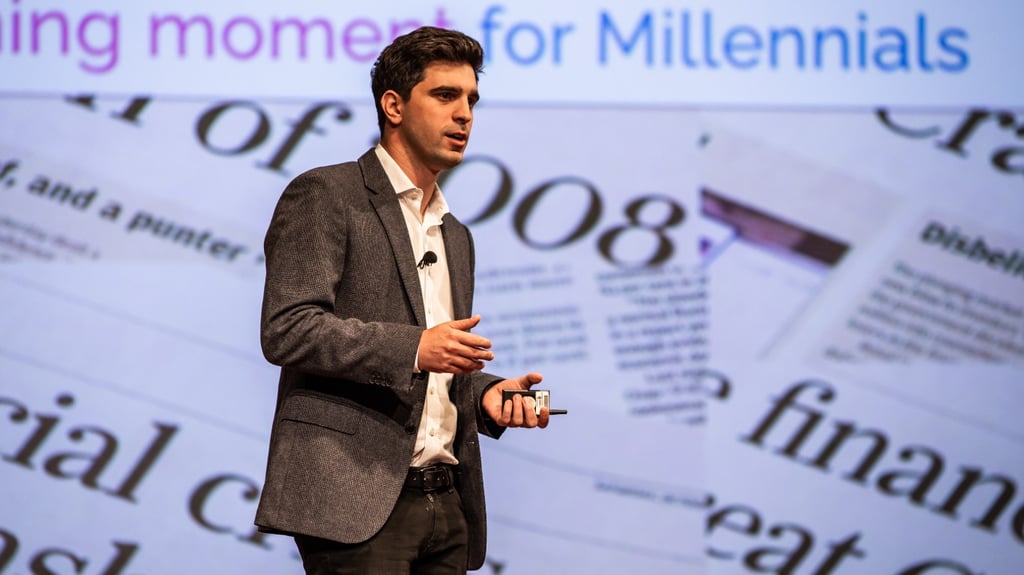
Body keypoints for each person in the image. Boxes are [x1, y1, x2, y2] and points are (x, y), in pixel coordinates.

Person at [254, 26, 551, 574]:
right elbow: (288, 328)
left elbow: (435, 358)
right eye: (445, 96)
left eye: (471, 100)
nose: (464, 114)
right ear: (393, 105)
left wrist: (483, 394)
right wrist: (416, 348)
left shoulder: (455, 233)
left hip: (447, 499)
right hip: (355, 497)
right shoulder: (327, 194)